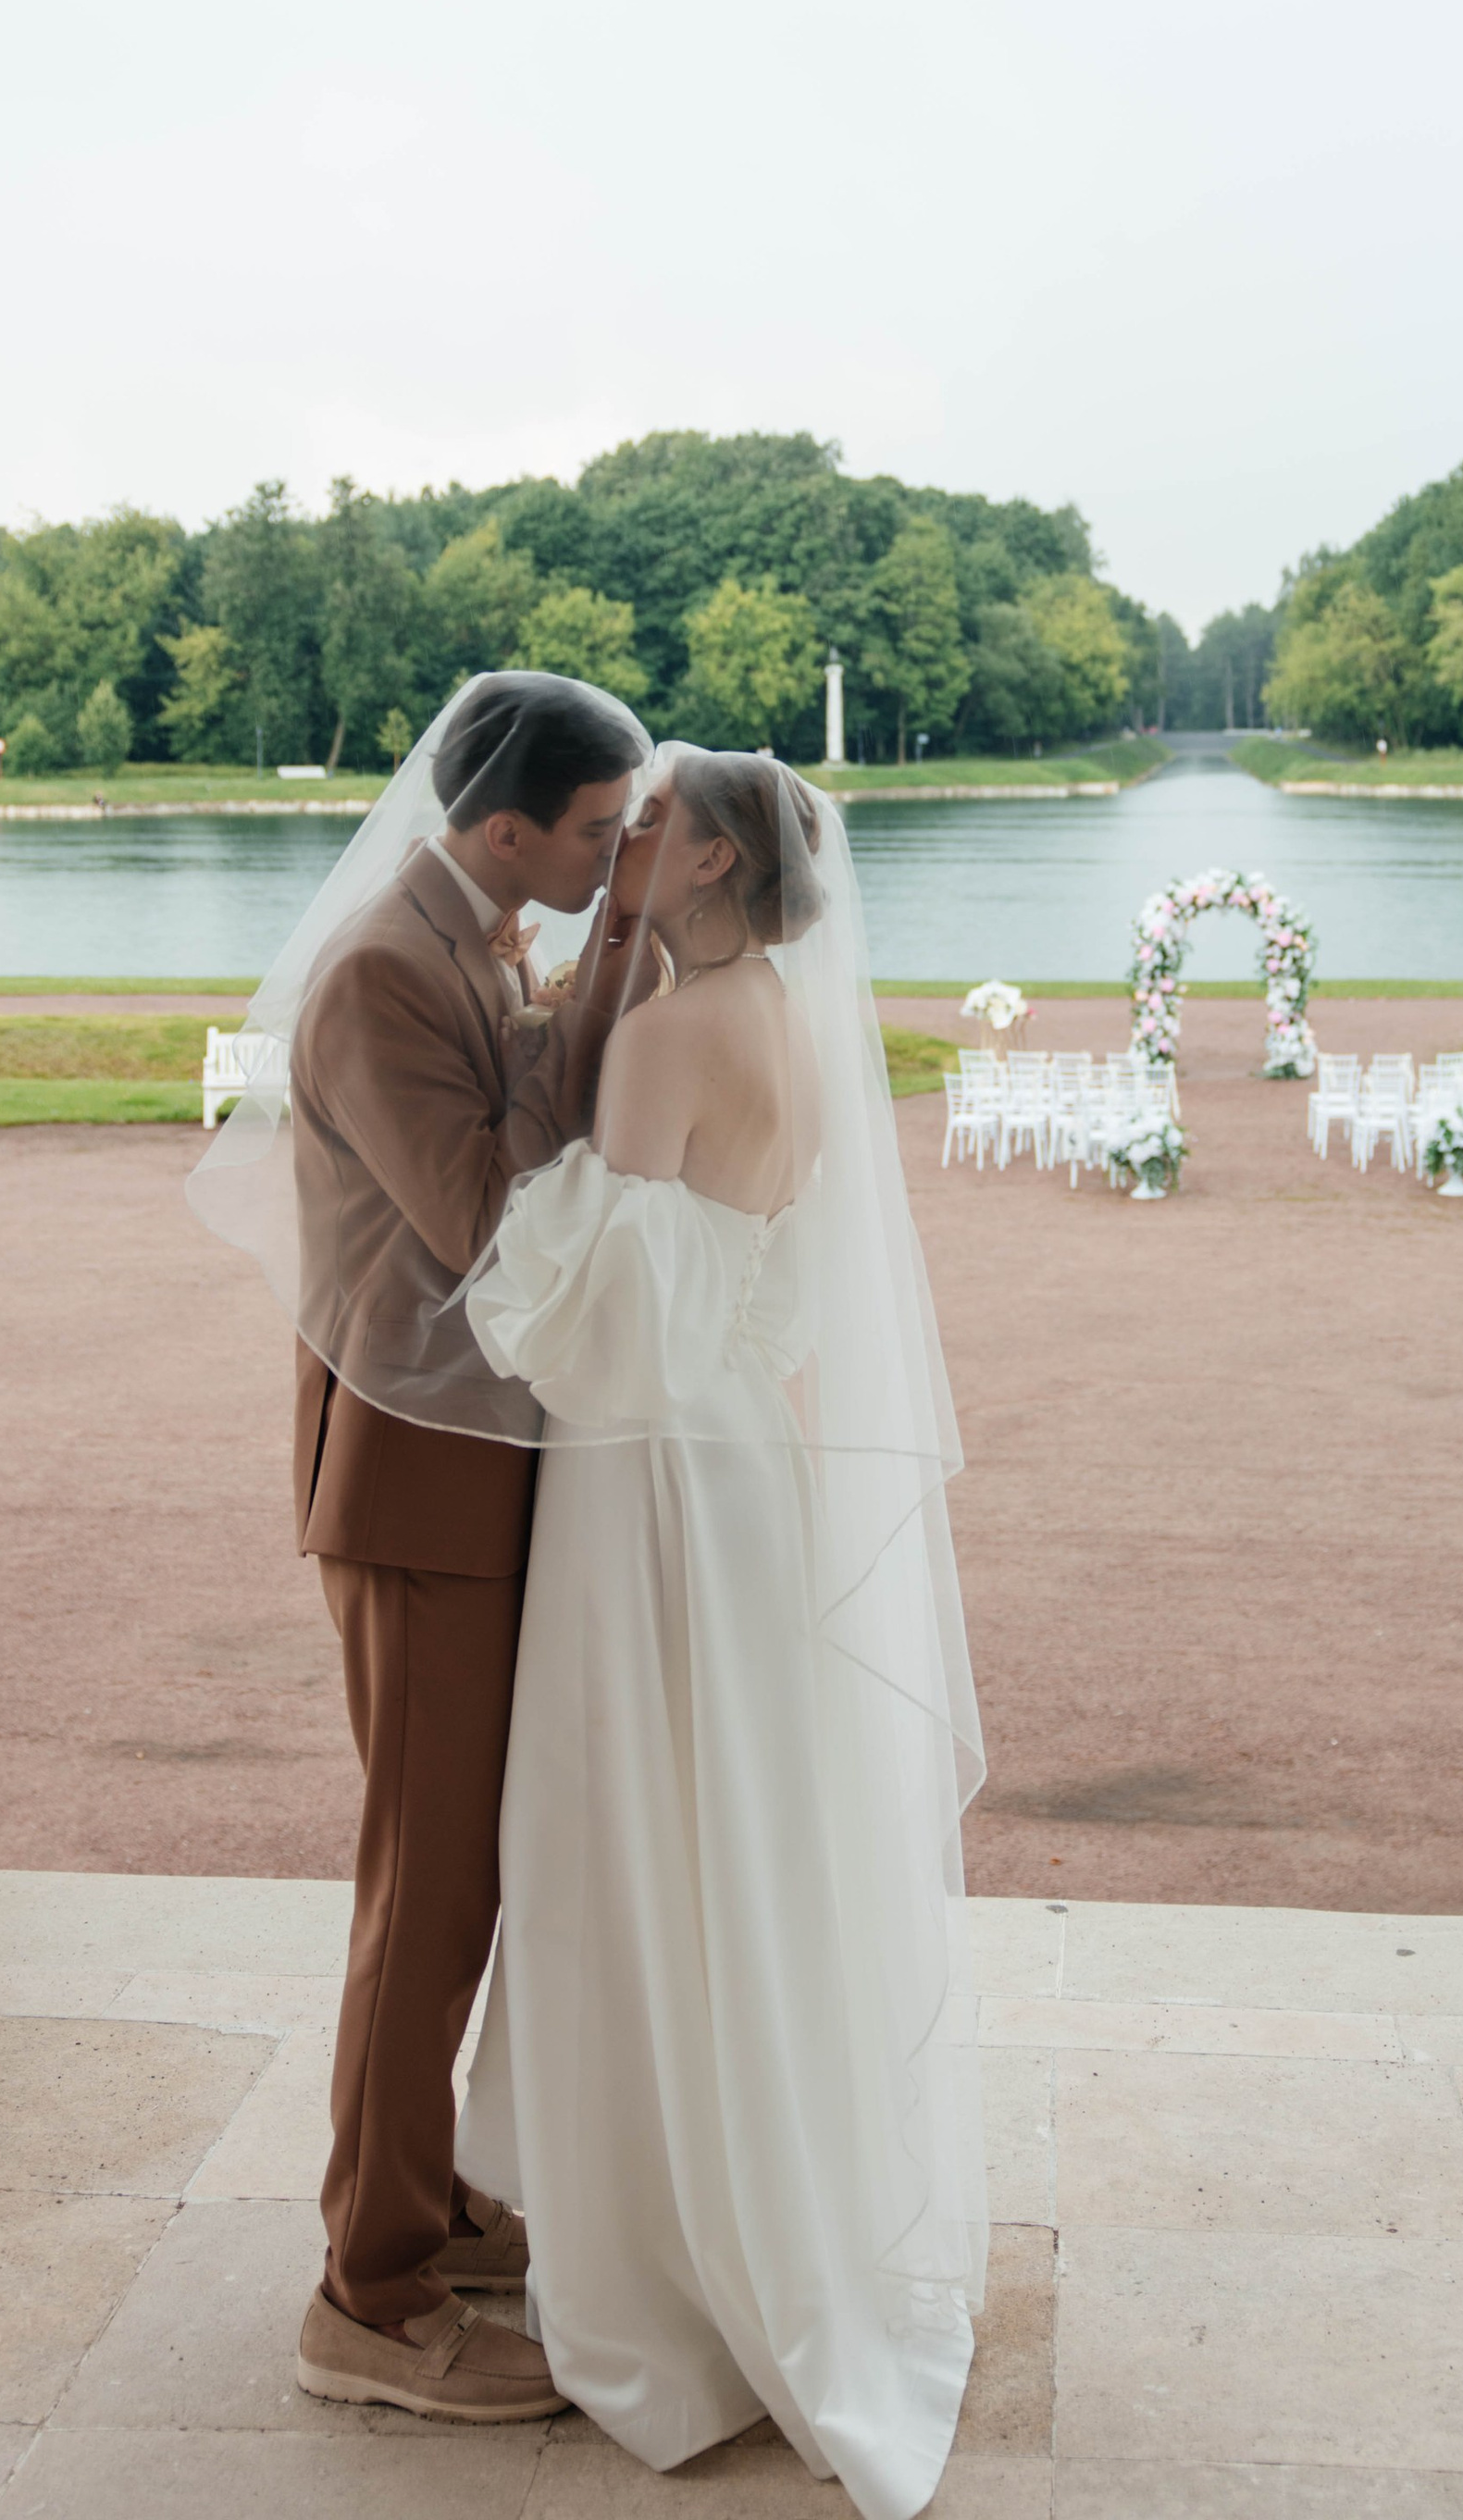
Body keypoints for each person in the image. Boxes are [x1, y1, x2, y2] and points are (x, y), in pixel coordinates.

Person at [455, 747, 985, 2517]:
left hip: (649, 1487)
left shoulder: (670, 1036)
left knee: (629, 1845)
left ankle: (663, 2277)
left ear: (715, 860)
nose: (631, 842)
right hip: (744, 1466)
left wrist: (511, 1232)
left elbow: (585, 1308)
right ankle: (756, 2209)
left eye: (659, 821)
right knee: (737, 1842)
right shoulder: (779, 1022)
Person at [188, 669, 651, 2424]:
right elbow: (482, 1220)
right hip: (411, 1480)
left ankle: (432, 2200)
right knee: (424, 1886)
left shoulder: (476, 930)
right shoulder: (389, 965)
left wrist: (566, 999)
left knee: (473, 1862)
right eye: (595, 837)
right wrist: (598, 999)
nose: (610, 870)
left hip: (470, 1462)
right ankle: (366, 2300)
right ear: (505, 820)